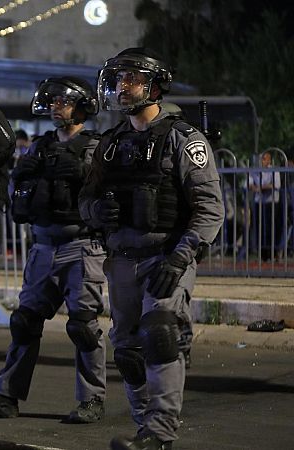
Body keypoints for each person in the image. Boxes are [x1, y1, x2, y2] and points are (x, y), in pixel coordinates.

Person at [79, 48, 224, 450]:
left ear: (155, 87)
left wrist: (180, 258)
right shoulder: (110, 144)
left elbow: (210, 208)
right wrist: (96, 211)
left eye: (132, 80)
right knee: (127, 351)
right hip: (122, 260)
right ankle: (145, 425)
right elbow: (85, 200)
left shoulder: (183, 140)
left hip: (166, 256)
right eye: (118, 80)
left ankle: (159, 432)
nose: (122, 88)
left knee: (160, 334)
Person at [0, 76, 107, 424]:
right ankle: (6, 396)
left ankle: (92, 399)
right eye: (53, 102)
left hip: (81, 246)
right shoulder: (40, 147)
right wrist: (18, 177)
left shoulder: (96, 147)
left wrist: (85, 173)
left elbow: (110, 193)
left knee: (83, 326)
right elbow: (18, 191)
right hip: (42, 245)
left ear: (82, 107)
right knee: (24, 322)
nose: (57, 108)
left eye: (64, 102)